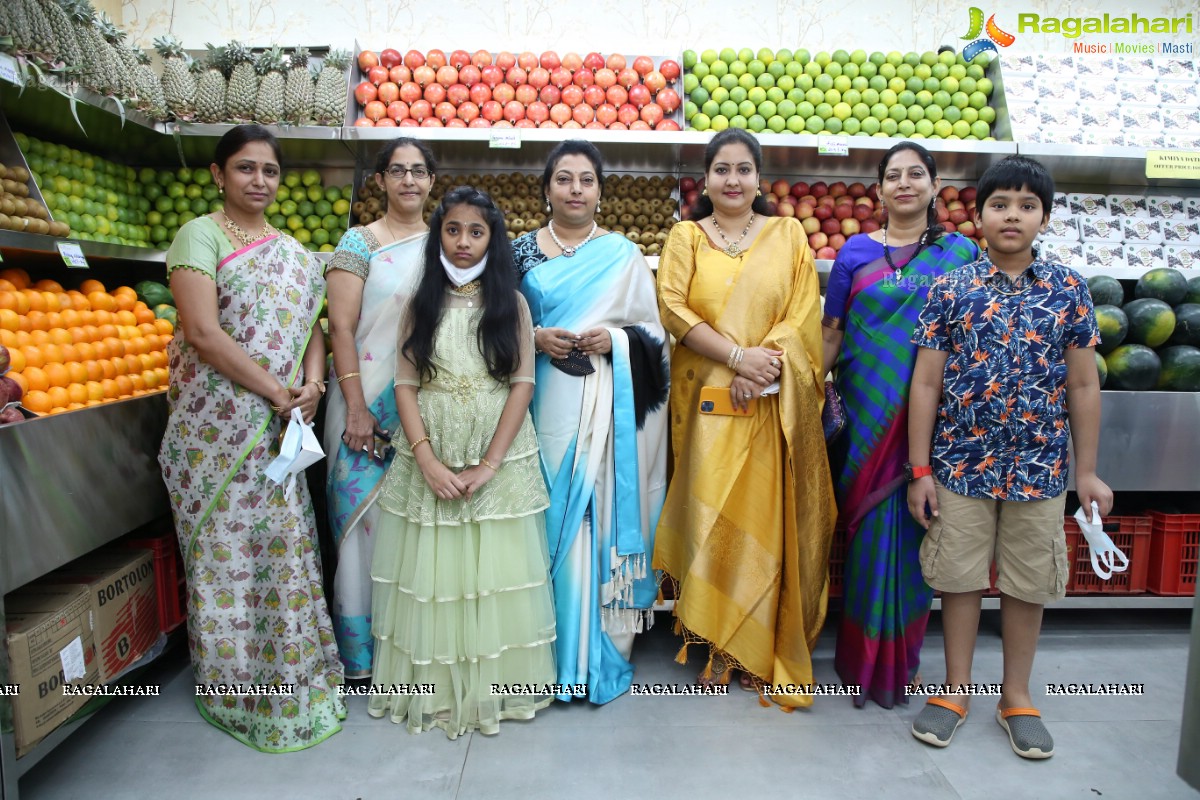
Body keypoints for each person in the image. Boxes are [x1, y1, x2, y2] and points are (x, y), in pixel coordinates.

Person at [907, 155, 1111, 758]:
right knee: (960, 579)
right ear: (978, 214)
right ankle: (954, 691)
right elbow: (925, 385)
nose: (1012, 215)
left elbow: (1083, 386)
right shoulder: (950, 289)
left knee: (1028, 584)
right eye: (1000, 204)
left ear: (1044, 216)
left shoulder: (1069, 290)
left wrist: (1088, 471)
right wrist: (920, 469)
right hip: (960, 466)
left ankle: (1017, 696)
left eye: (1027, 205)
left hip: (1039, 470)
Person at [158, 125, 345, 751]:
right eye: (245, 168)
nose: (259, 181)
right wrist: (274, 389)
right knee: (224, 556)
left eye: (269, 170)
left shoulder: (292, 251)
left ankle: (293, 672)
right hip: (215, 434)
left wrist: (314, 386)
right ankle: (234, 687)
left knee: (282, 550)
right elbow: (203, 334)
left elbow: (314, 330)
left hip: (282, 429)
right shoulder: (199, 236)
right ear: (218, 174)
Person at [653, 128, 836, 708]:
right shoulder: (687, 236)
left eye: (744, 169)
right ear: (706, 179)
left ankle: (756, 640)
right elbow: (672, 308)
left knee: (762, 516)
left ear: (759, 178)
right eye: (721, 169)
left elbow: (804, 312)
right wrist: (735, 357)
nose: (733, 180)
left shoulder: (787, 234)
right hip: (708, 404)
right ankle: (715, 636)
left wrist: (762, 366)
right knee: (712, 514)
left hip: (768, 401)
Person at [368, 186, 556, 738]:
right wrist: (425, 458)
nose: (465, 241)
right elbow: (404, 385)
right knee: (435, 572)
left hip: (497, 451)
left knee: (492, 573)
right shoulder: (418, 302)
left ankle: (493, 690)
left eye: (477, 231)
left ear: (493, 239)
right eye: (453, 230)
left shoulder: (511, 304)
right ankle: (437, 692)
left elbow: (522, 383)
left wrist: (490, 466)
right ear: (438, 235)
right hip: (434, 447)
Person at [822, 142, 980, 709]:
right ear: (880, 188)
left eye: (917, 174)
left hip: (929, 423)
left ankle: (898, 664)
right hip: (864, 419)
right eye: (894, 175)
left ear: (936, 185)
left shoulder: (961, 256)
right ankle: (858, 660)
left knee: (916, 535)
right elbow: (833, 333)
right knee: (865, 533)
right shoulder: (853, 253)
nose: (905, 184)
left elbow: (974, 338)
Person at [511, 140, 669, 705]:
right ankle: (541, 652)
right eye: (564, 179)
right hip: (540, 404)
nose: (575, 190)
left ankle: (594, 651)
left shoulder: (624, 254)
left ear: (601, 189)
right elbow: (491, 325)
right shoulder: (521, 252)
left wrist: (618, 339)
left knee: (596, 515)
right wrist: (533, 337)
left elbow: (656, 339)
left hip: (607, 405)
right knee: (545, 513)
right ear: (546, 187)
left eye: (586, 180)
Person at [324, 138, 437, 678]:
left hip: (421, 407)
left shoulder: (446, 242)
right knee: (362, 527)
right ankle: (361, 656)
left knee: (413, 525)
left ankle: (406, 648)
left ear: (432, 180)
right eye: (398, 171)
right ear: (380, 180)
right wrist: (355, 408)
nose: (409, 181)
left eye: (418, 171)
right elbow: (341, 327)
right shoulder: (358, 242)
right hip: (361, 402)